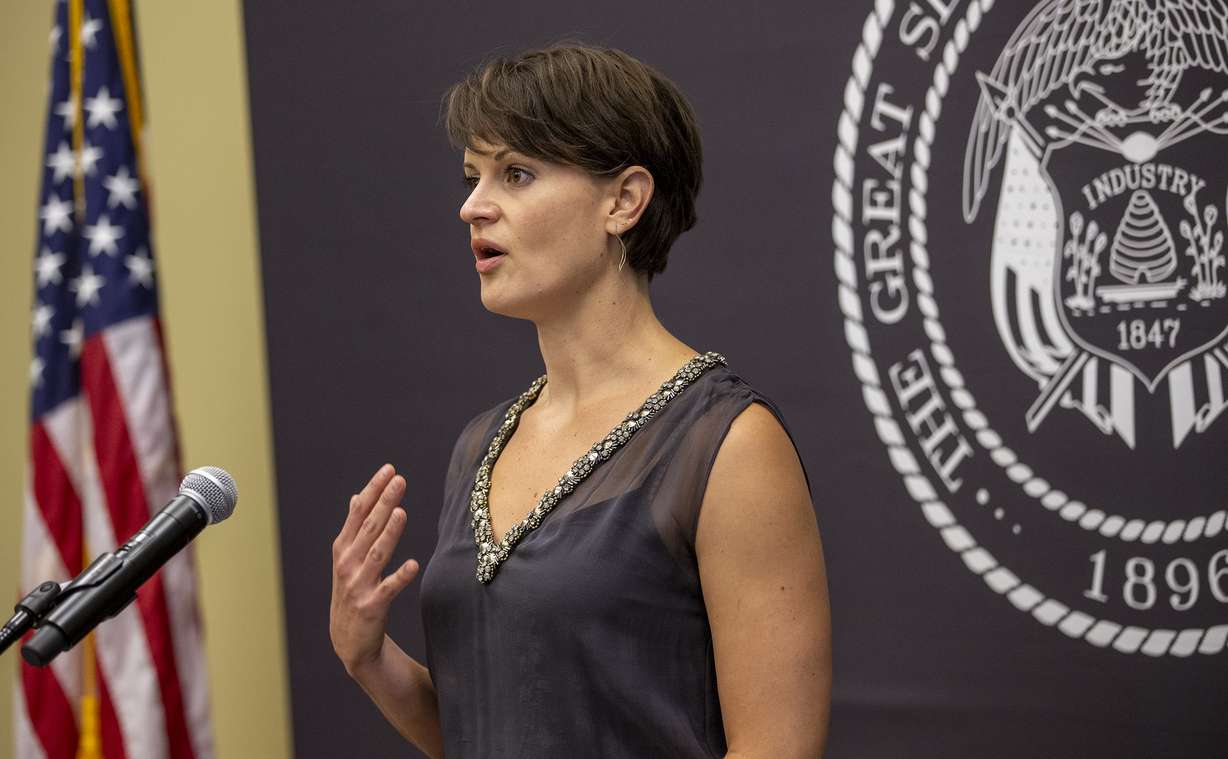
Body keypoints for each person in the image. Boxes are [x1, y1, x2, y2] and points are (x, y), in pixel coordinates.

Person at [329, 42, 831, 758]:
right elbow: (497, 729)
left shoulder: (727, 443)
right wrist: (369, 659)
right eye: (474, 176)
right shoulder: (481, 443)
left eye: (517, 174)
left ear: (623, 200)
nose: (473, 205)